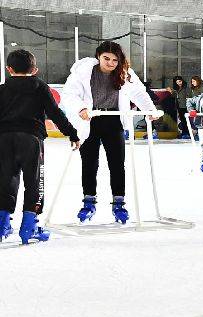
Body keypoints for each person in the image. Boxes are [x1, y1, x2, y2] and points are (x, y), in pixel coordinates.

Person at [60, 41, 159, 224]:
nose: (110, 63)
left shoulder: (124, 73)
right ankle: (88, 201)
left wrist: (150, 110)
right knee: (89, 163)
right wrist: (81, 108)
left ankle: (119, 203)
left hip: (114, 121)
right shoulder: (84, 72)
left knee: (117, 164)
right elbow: (69, 94)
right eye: (106, 58)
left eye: (115, 60)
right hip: (90, 119)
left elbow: (139, 92)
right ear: (98, 56)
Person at [0, 49, 80, 244]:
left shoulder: (1, 89)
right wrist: (71, 132)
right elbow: (55, 113)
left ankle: (2, 224)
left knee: (6, 178)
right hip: (31, 139)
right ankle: (29, 225)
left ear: (8, 69)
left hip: (4, 138)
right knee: (34, 180)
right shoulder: (40, 87)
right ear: (34, 69)